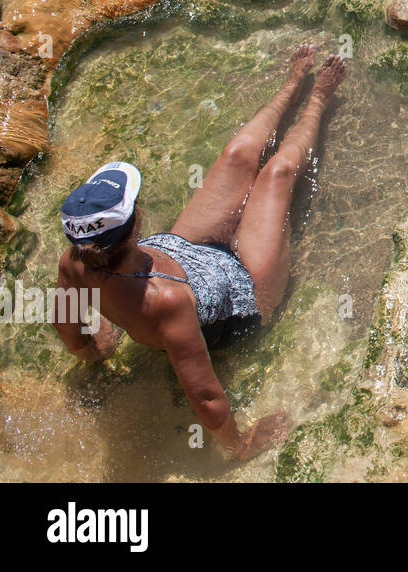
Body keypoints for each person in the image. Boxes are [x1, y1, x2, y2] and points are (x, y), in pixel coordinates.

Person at [52, 45, 346, 460]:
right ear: (136, 224)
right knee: (276, 173)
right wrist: (239, 445)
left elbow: (64, 318)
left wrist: (90, 352)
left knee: (237, 155)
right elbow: (205, 394)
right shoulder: (165, 301)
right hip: (242, 294)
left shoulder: (75, 261)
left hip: (182, 253)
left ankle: (291, 85)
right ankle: (317, 100)